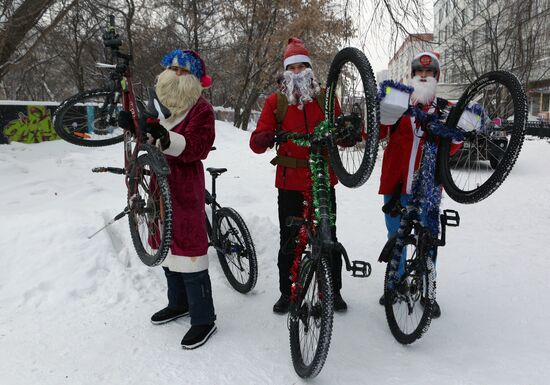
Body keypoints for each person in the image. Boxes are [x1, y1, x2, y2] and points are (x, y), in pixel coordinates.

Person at [119, 49, 217, 348]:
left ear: (194, 79)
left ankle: (203, 318)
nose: (174, 75)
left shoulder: (202, 111)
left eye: (182, 71)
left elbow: (199, 147)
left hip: (184, 183)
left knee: (189, 249)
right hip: (157, 187)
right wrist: (133, 126)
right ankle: (178, 303)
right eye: (171, 68)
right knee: (166, 245)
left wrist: (166, 138)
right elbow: (147, 135)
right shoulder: (159, 106)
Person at [249, 37, 347, 314]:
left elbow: (342, 135)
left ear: (310, 69)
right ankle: (287, 291)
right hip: (289, 182)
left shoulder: (327, 99)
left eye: (303, 66)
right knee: (290, 239)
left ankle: (333, 291)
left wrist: (349, 133)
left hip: (323, 180)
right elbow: (256, 141)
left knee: (328, 235)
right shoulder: (276, 101)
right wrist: (264, 138)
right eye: (292, 67)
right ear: (285, 71)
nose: (298, 72)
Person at [377, 51, 454, 318]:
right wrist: (381, 114)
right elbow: (378, 133)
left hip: (429, 188)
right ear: (411, 76)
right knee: (396, 236)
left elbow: (452, 150)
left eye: (429, 72)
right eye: (419, 73)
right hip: (396, 184)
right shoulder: (398, 102)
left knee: (428, 239)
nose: (423, 76)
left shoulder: (445, 110)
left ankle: (426, 288)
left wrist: (457, 135)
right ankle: (394, 283)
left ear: (436, 76)